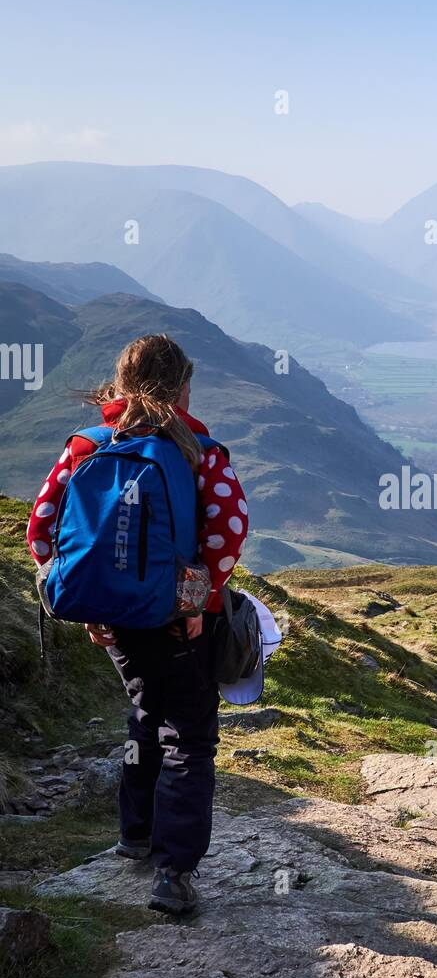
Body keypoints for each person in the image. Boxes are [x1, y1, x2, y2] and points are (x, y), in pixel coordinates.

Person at [27, 335, 249, 914]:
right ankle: (173, 873)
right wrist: (194, 602)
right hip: (178, 625)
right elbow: (227, 532)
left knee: (147, 714)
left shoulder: (85, 446)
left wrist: (94, 604)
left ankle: (134, 836)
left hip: (115, 625)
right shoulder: (198, 449)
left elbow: (42, 529)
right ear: (183, 387)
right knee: (189, 739)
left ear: (118, 385)